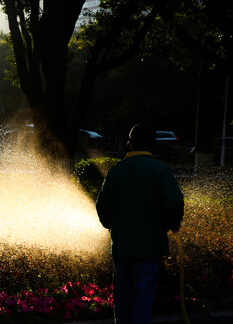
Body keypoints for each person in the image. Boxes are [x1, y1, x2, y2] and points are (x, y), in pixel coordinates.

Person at [96, 123, 184, 324]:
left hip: (121, 247)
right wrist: (172, 223)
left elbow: (102, 207)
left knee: (122, 298)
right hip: (150, 247)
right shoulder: (160, 170)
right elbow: (174, 202)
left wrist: (113, 225)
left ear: (130, 143)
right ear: (153, 145)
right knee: (142, 298)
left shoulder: (116, 171)